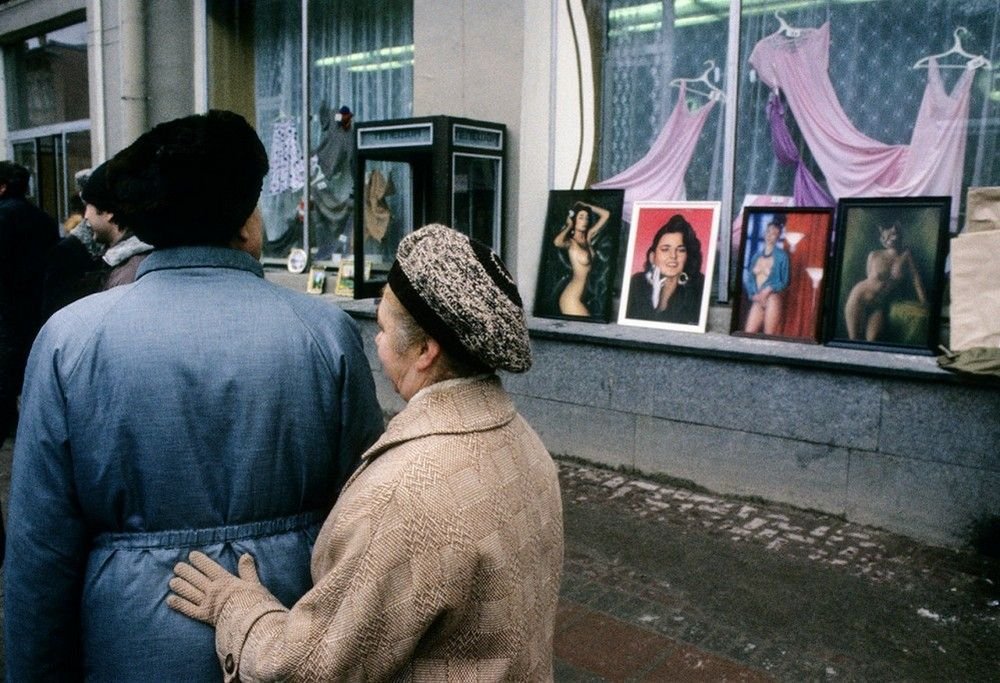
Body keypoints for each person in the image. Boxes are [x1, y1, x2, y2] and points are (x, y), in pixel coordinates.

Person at [4, 110, 385, 680]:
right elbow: (366, 513)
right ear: (246, 220)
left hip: (130, 641)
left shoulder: (70, 340)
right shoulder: (323, 332)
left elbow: (40, 551)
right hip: (287, 627)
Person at [167, 224, 564, 680]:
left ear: (424, 350)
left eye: (382, 326)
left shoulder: (406, 493)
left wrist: (237, 607)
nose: (375, 341)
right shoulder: (527, 445)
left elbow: (308, 669)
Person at [0, 160, 59, 447]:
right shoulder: (44, 220)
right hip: (37, 303)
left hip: (6, 305)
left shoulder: (2, 217)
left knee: (5, 368)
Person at [843, 221, 927, 342]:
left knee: (873, 340)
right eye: (883, 237)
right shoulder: (874, 254)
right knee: (854, 340)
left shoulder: (907, 256)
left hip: (879, 305)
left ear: (900, 233)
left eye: (891, 235)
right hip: (859, 298)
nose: (886, 239)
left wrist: (924, 302)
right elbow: (869, 278)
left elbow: (916, 280)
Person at [80, 160, 155, 289]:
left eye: (88, 206)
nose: (85, 216)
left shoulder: (128, 273)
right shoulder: (126, 263)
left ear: (108, 212)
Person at [625, 214, 705, 325]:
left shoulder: (699, 285)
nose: (673, 256)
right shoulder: (637, 282)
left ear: (688, 256)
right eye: (665, 249)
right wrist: (654, 298)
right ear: (652, 257)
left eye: (681, 250)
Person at [552, 200, 610, 316]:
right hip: (571, 298)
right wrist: (569, 226)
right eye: (581, 217)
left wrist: (586, 205)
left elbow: (606, 215)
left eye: (587, 218)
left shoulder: (588, 237)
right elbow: (557, 242)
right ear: (574, 220)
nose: (584, 221)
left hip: (581, 296)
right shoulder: (571, 243)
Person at [742, 219, 790, 335]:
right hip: (758, 299)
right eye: (768, 232)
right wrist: (753, 295)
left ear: (778, 237)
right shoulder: (756, 256)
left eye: (774, 234)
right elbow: (750, 279)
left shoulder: (782, 256)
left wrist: (769, 289)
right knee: (748, 334)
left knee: (769, 334)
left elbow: (785, 281)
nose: (770, 236)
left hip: (772, 298)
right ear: (764, 233)